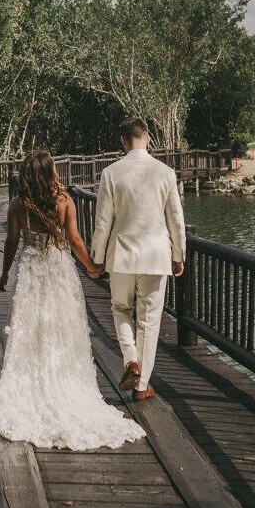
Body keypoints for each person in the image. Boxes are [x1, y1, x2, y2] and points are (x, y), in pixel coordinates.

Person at [0, 149, 146, 450]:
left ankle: (34, 386)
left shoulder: (18, 205)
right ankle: (62, 380)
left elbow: (11, 242)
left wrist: (4, 273)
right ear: (51, 173)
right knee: (61, 328)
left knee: (32, 329)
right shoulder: (64, 201)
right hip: (58, 271)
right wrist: (91, 266)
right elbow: (74, 240)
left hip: (33, 273)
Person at [90, 116, 185, 401]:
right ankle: (142, 385)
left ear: (123, 141)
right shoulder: (166, 173)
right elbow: (176, 220)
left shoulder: (111, 173)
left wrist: (97, 256)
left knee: (120, 308)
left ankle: (131, 360)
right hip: (156, 256)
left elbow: (103, 221)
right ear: (148, 139)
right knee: (149, 320)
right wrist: (179, 255)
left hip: (121, 256)